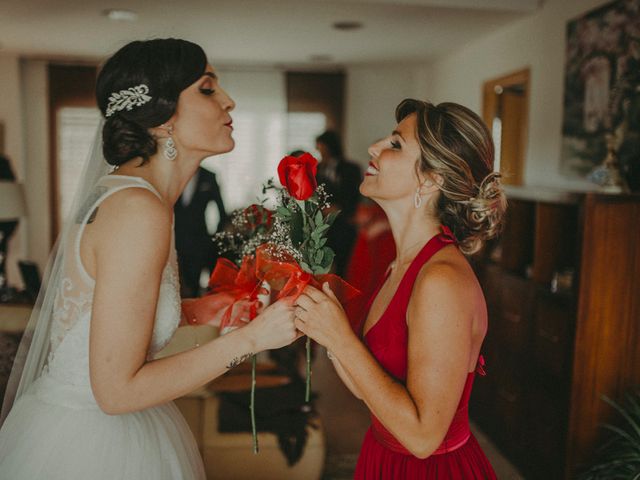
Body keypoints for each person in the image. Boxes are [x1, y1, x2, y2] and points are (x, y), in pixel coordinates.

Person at [0, 38, 299, 479]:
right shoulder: (139, 210)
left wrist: (207, 309)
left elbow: (107, 318)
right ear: (162, 122)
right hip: (92, 448)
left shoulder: (135, 196)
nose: (228, 101)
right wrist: (252, 339)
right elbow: (116, 393)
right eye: (207, 88)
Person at [294, 99, 506, 478]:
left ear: (431, 179)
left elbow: (424, 438)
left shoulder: (440, 280)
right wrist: (322, 324)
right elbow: (368, 389)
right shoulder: (402, 264)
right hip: (382, 456)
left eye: (395, 144)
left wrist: (341, 339)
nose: (374, 147)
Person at [174, 166, 227, 297]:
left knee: (194, 285)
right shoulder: (173, 174)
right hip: (172, 240)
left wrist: (213, 239)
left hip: (198, 241)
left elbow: (222, 213)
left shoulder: (208, 176)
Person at [315, 130, 362, 276]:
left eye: (322, 147)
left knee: (343, 267)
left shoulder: (351, 168)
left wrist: (339, 209)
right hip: (322, 226)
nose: (320, 151)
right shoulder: (317, 169)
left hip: (343, 225)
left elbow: (355, 195)